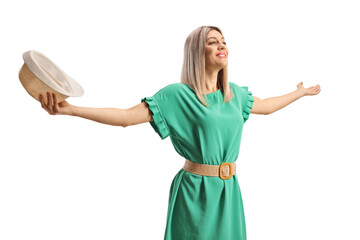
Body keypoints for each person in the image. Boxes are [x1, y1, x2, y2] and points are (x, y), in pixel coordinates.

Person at [39, 26, 321, 240]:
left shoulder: (233, 95)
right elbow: (125, 117)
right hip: (195, 192)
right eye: (213, 42)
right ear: (198, 52)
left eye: (223, 42)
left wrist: (299, 93)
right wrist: (72, 110)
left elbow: (268, 107)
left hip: (229, 191)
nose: (221, 46)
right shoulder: (176, 96)